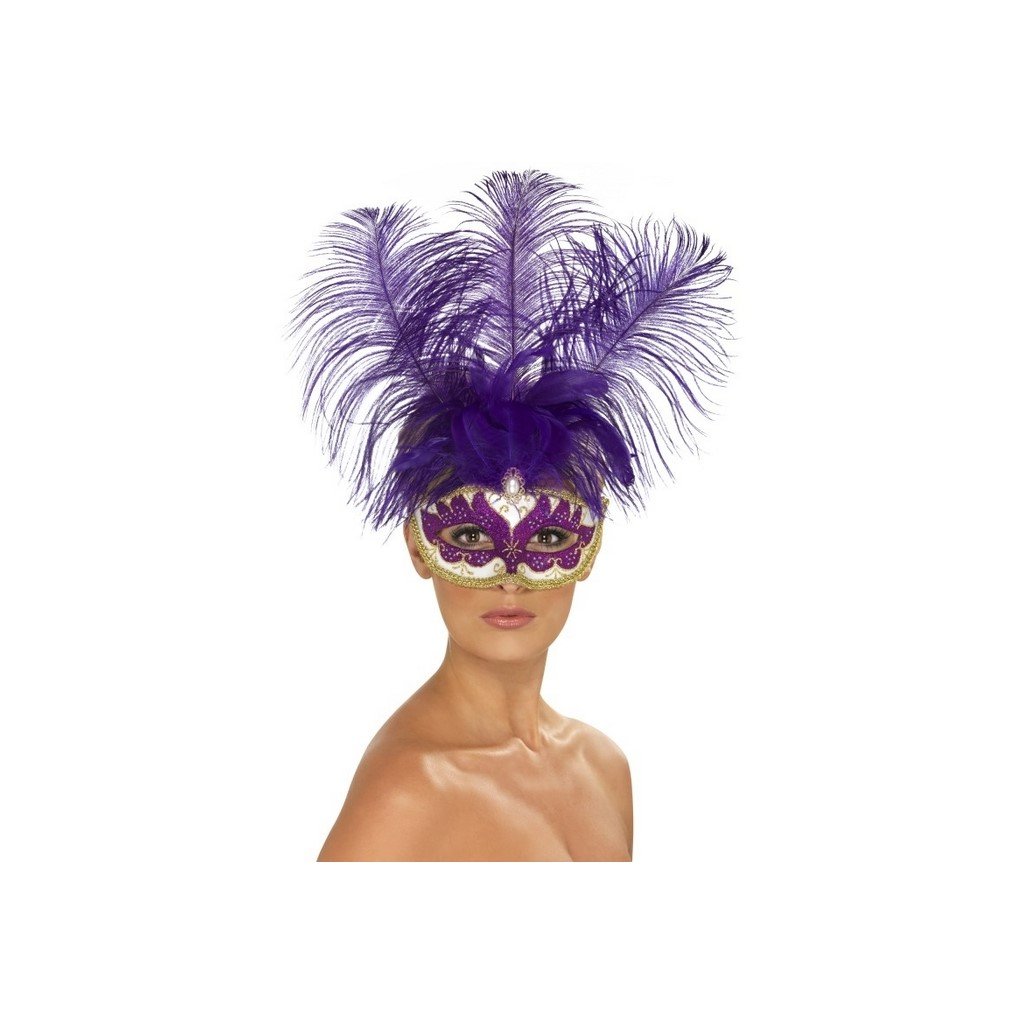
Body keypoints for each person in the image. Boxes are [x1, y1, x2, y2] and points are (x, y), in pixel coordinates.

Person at [287, 168, 736, 861]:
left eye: (550, 535)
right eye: (470, 534)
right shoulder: (409, 790)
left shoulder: (605, 769)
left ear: (592, 545)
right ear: (416, 544)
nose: (510, 576)